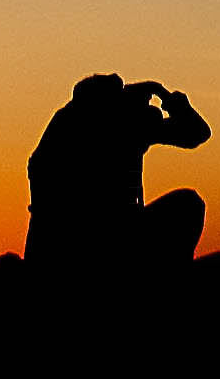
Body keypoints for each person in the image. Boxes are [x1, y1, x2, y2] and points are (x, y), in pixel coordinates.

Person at [24, 74, 210, 274]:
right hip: (83, 245)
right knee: (188, 204)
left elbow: (197, 133)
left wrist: (164, 100)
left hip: (62, 246)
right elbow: (196, 132)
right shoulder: (113, 125)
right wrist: (168, 99)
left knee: (188, 203)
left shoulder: (68, 125)